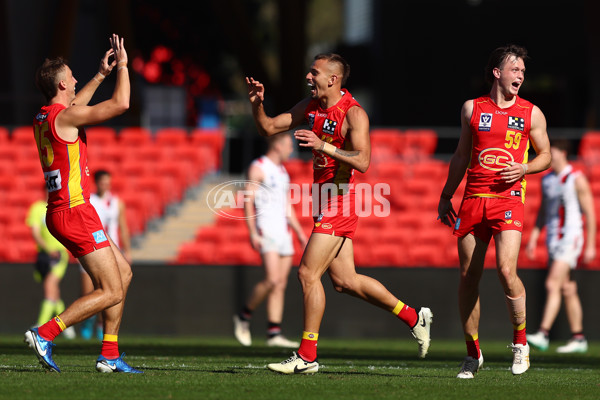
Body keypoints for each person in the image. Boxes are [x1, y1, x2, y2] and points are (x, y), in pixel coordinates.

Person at [246, 53, 433, 375]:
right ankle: (414, 317)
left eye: (314, 72)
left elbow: (363, 161)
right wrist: (256, 104)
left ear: (333, 79)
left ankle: (307, 356)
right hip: (322, 197)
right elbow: (267, 127)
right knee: (345, 281)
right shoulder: (311, 107)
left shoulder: (354, 113)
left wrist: (324, 146)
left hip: (342, 199)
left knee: (307, 274)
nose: (308, 76)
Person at [24, 34, 141, 373]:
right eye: (72, 77)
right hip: (75, 211)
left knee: (123, 274)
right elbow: (121, 104)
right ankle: (45, 333)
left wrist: (99, 76)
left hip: (67, 210)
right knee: (111, 289)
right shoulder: (65, 118)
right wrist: (122, 67)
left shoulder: (45, 116)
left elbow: (72, 108)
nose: (76, 81)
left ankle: (109, 354)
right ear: (62, 84)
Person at [437, 44, 551, 379]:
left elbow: (545, 155)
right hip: (473, 198)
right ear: (497, 73)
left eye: (523, 71)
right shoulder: (472, 109)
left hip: (509, 199)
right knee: (468, 277)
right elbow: (460, 155)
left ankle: (520, 345)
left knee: (505, 269)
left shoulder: (532, 112)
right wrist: (446, 195)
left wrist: (524, 168)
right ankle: (473, 353)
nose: (521, 75)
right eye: (515, 69)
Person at [233, 133, 308, 348]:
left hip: (283, 232)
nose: (291, 149)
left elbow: (286, 205)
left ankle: (273, 333)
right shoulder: (259, 167)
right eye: (288, 145)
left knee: (280, 284)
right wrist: (252, 231)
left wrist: (299, 232)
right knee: (272, 279)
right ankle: (244, 316)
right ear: (277, 145)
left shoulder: (282, 171)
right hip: (266, 230)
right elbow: (248, 200)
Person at [526, 139, 596, 353]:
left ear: (563, 152)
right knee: (568, 289)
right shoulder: (547, 180)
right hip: (553, 239)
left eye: (552, 151)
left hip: (570, 237)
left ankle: (543, 333)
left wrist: (590, 244)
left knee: (552, 284)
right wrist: (533, 237)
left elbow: (590, 213)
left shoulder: (575, 179)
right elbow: (542, 212)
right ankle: (578, 337)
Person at [80, 169, 132, 340]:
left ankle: (103, 326)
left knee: (110, 291)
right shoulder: (91, 201)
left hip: (113, 251)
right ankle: (88, 322)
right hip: (92, 249)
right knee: (90, 291)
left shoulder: (117, 202)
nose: (106, 184)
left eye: (108, 181)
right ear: (97, 182)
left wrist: (128, 250)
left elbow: (123, 227)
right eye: (103, 181)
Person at [26, 190, 76, 339]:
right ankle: (66, 325)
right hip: (44, 255)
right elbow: (35, 232)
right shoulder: (37, 208)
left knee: (50, 286)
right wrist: (47, 249)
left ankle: (41, 326)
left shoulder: (60, 208)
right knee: (53, 291)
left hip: (59, 254)